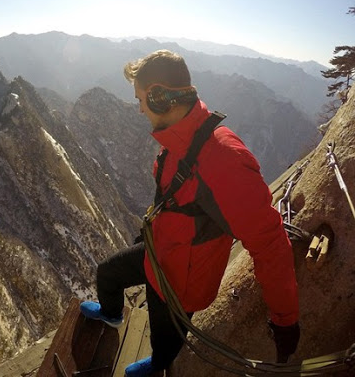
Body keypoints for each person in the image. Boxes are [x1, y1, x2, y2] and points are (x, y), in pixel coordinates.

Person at [80, 50, 300, 377]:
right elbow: (176, 202)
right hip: (161, 252)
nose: (139, 107)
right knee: (107, 273)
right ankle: (112, 313)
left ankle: (159, 363)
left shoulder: (222, 159)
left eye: (142, 98)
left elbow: (269, 243)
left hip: (179, 284)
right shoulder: (183, 139)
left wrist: (285, 321)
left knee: (164, 335)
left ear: (160, 98)